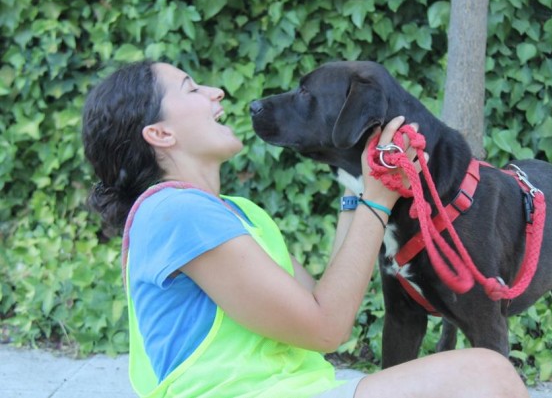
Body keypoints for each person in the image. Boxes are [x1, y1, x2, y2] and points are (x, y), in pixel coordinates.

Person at [82, 60, 529, 398]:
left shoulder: (238, 213)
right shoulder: (176, 212)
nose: (215, 92)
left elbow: (323, 305)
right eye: (191, 88)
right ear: (160, 134)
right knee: (487, 374)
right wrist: (378, 197)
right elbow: (327, 329)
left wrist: (360, 180)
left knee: (481, 374)